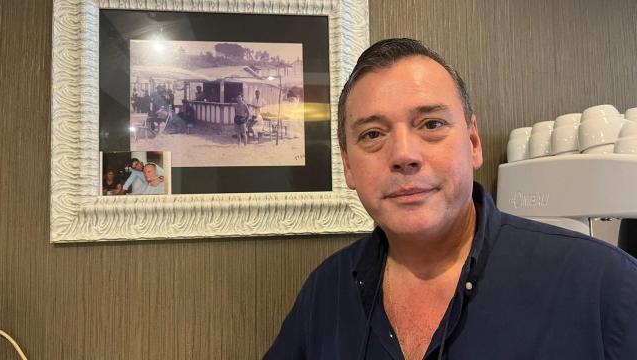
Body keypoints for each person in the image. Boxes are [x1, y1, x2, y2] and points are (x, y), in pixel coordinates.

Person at [264, 38, 637, 359]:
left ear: (473, 143)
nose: (403, 154)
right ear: (348, 166)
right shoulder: (326, 292)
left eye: (431, 125)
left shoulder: (604, 286)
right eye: (373, 134)